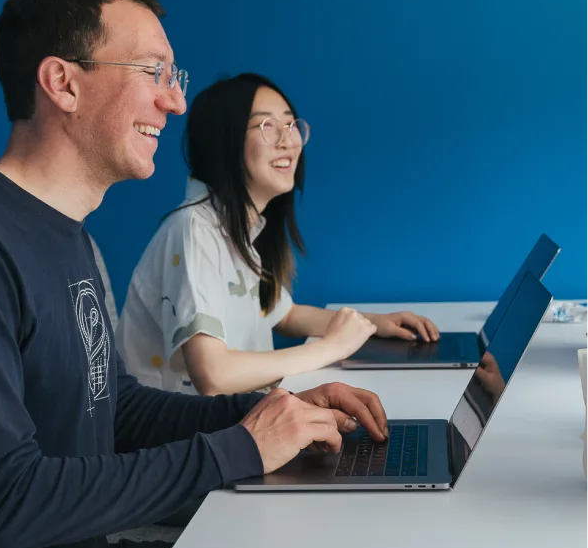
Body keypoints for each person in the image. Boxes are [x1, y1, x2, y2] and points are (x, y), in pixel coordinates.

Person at [0, 0, 389, 548]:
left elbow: (115, 409)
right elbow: (6, 502)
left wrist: (270, 414)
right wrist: (241, 448)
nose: (175, 100)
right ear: (62, 84)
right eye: (153, 73)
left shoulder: (74, 241)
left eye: (171, 78)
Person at [117, 73, 440, 396]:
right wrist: (330, 348)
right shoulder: (193, 229)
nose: (288, 140)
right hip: (184, 440)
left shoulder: (240, 226)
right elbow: (212, 375)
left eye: (290, 125)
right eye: (267, 126)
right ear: (224, 142)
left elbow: (283, 314)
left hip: (234, 425)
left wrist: (372, 324)